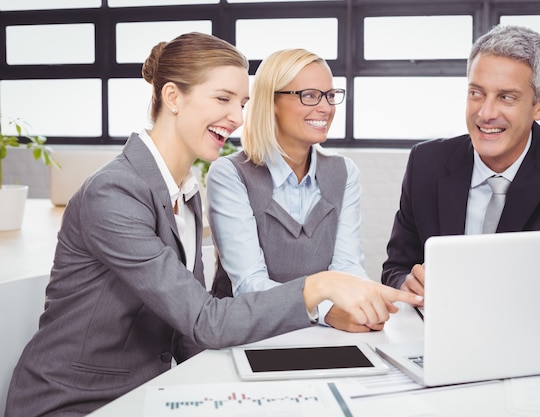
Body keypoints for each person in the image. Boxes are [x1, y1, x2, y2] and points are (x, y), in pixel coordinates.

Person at [4, 33, 420, 417]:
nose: (237, 117)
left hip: (150, 392)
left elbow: (187, 333)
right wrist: (321, 285)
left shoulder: (185, 191)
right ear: (173, 96)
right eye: (223, 99)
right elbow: (205, 319)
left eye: (241, 103)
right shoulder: (113, 193)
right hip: (74, 402)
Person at [381, 24, 540, 311]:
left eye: (506, 97)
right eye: (476, 93)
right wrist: (407, 283)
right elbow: (394, 270)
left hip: (533, 338)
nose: (485, 114)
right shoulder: (426, 162)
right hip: (441, 336)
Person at [206, 48, 377, 333]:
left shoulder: (344, 173)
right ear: (271, 101)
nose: (326, 107)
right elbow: (250, 286)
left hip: (324, 337)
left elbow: (348, 266)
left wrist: (363, 303)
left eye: (330, 95)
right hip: (247, 336)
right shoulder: (230, 174)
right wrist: (326, 310)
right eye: (309, 95)